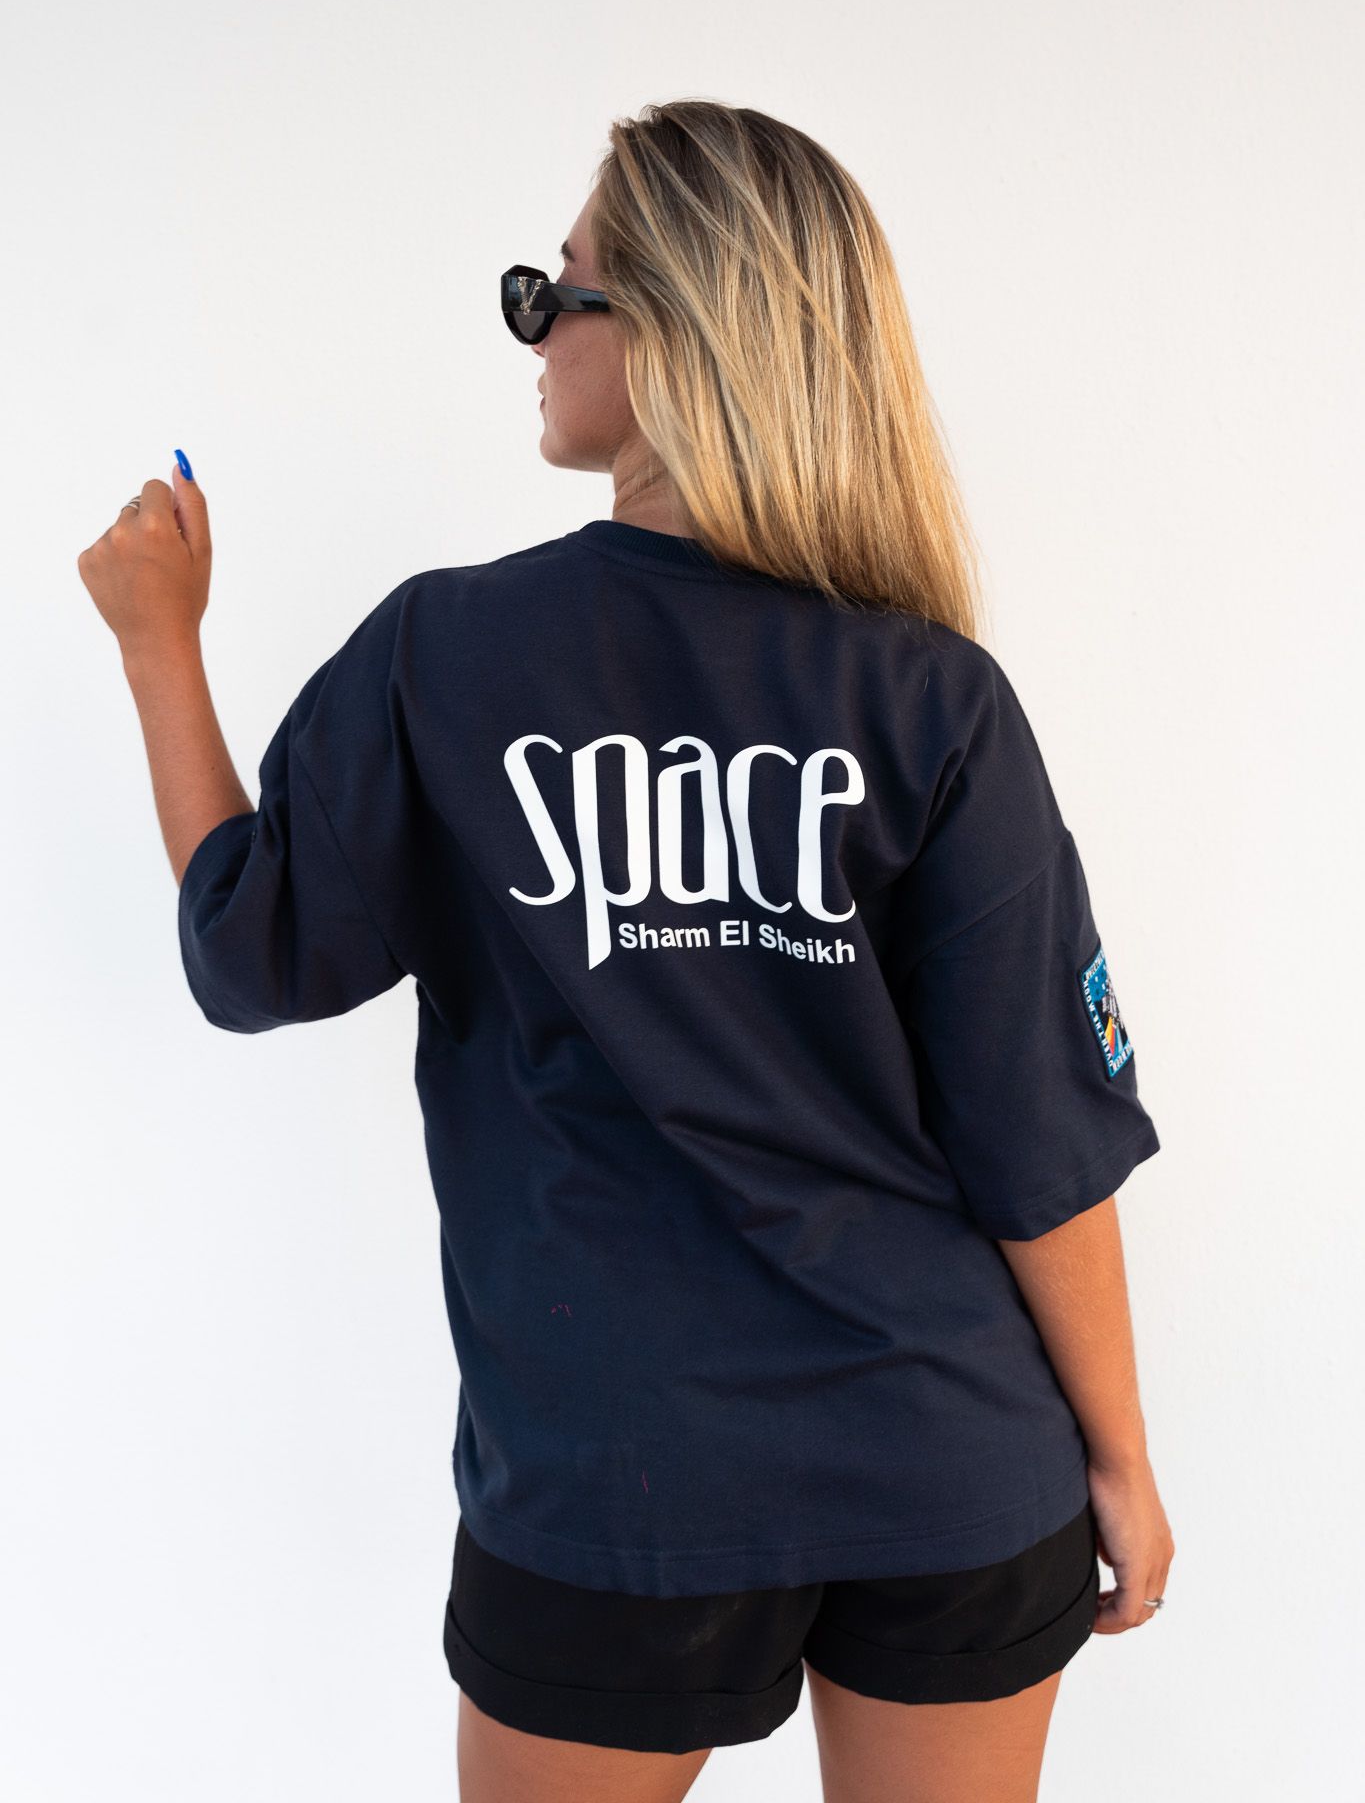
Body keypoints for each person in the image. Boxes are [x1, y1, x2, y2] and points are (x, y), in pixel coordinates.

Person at [78, 99, 1174, 1803]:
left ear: (666, 328)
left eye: (549, 291)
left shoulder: (448, 654)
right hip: (950, 1464)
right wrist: (1119, 1456)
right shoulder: (929, 694)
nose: (528, 334)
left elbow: (249, 954)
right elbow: (1037, 1143)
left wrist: (159, 643)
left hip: (618, 1485)